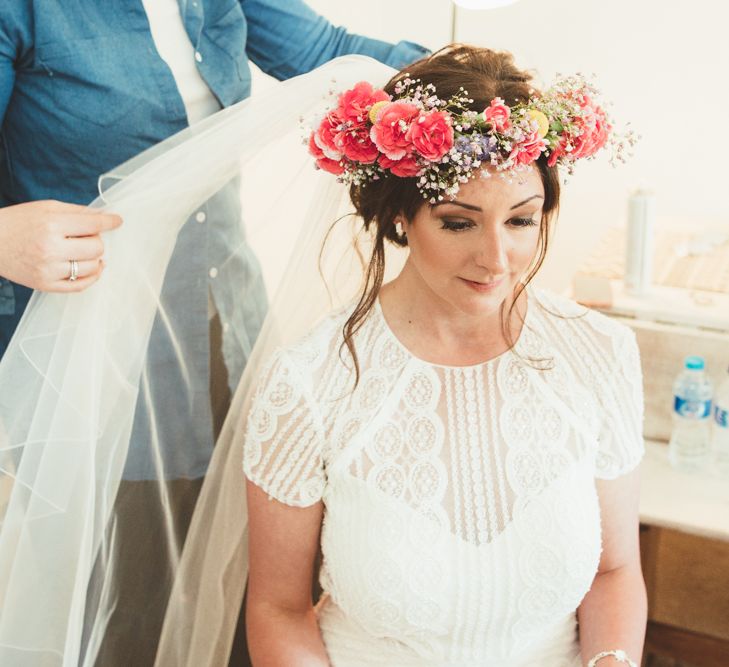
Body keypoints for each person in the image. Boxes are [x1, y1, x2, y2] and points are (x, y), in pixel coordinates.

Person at [0, 3, 426, 665]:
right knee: (129, 599)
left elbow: (335, 52)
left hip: (229, 329)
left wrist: (500, 99)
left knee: (255, 582)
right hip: (99, 367)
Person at [241, 45, 647, 666]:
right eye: (459, 223)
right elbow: (277, 609)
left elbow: (615, 571)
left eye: (520, 221)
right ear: (400, 216)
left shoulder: (599, 354)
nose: (496, 259)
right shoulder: (308, 381)